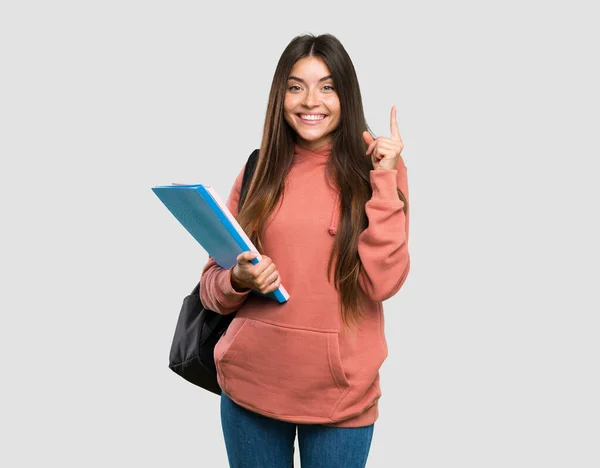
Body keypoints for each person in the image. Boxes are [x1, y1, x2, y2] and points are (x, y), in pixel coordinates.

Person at [200, 33, 410, 468]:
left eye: (327, 86)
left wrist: (386, 180)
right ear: (281, 95)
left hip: (341, 398)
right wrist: (239, 279)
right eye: (296, 86)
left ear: (346, 95)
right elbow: (211, 288)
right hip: (250, 387)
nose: (310, 100)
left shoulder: (377, 169)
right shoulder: (260, 167)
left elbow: (383, 282)